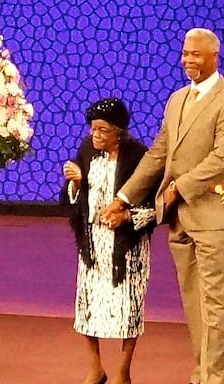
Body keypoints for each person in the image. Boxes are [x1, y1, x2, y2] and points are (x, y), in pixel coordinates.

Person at [103, 28, 224, 384]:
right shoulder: (176, 100)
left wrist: (180, 187)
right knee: (194, 302)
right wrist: (123, 197)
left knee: (215, 303)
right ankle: (201, 373)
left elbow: (223, 157)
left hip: (215, 215)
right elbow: (158, 154)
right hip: (180, 219)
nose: (188, 60)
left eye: (195, 54)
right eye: (185, 54)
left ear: (214, 57)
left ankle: (213, 378)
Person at [62, 97, 158, 384]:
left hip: (127, 247)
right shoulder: (87, 151)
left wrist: (127, 218)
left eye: (103, 130)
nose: (96, 135)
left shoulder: (140, 157)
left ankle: (123, 372)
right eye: (94, 129)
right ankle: (95, 368)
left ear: (119, 131)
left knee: (129, 308)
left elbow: (156, 206)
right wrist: (77, 182)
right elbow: (74, 201)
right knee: (88, 307)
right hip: (93, 244)